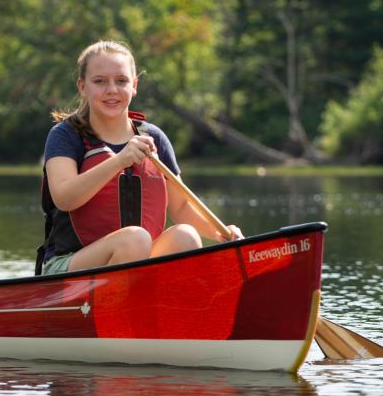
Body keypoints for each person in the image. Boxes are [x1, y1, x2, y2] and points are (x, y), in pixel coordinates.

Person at [38, 40, 243, 275]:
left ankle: (160, 307)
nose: (112, 90)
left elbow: (181, 206)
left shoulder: (153, 137)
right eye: (99, 81)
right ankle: (116, 306)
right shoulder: (65, 135)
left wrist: (221, 234)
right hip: (69, 266)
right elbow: (64, 198)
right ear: (82, 87)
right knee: (135, 239)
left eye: (122, 81)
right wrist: (119, 160)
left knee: (185, 236)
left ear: (134, 85)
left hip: (134, 259)